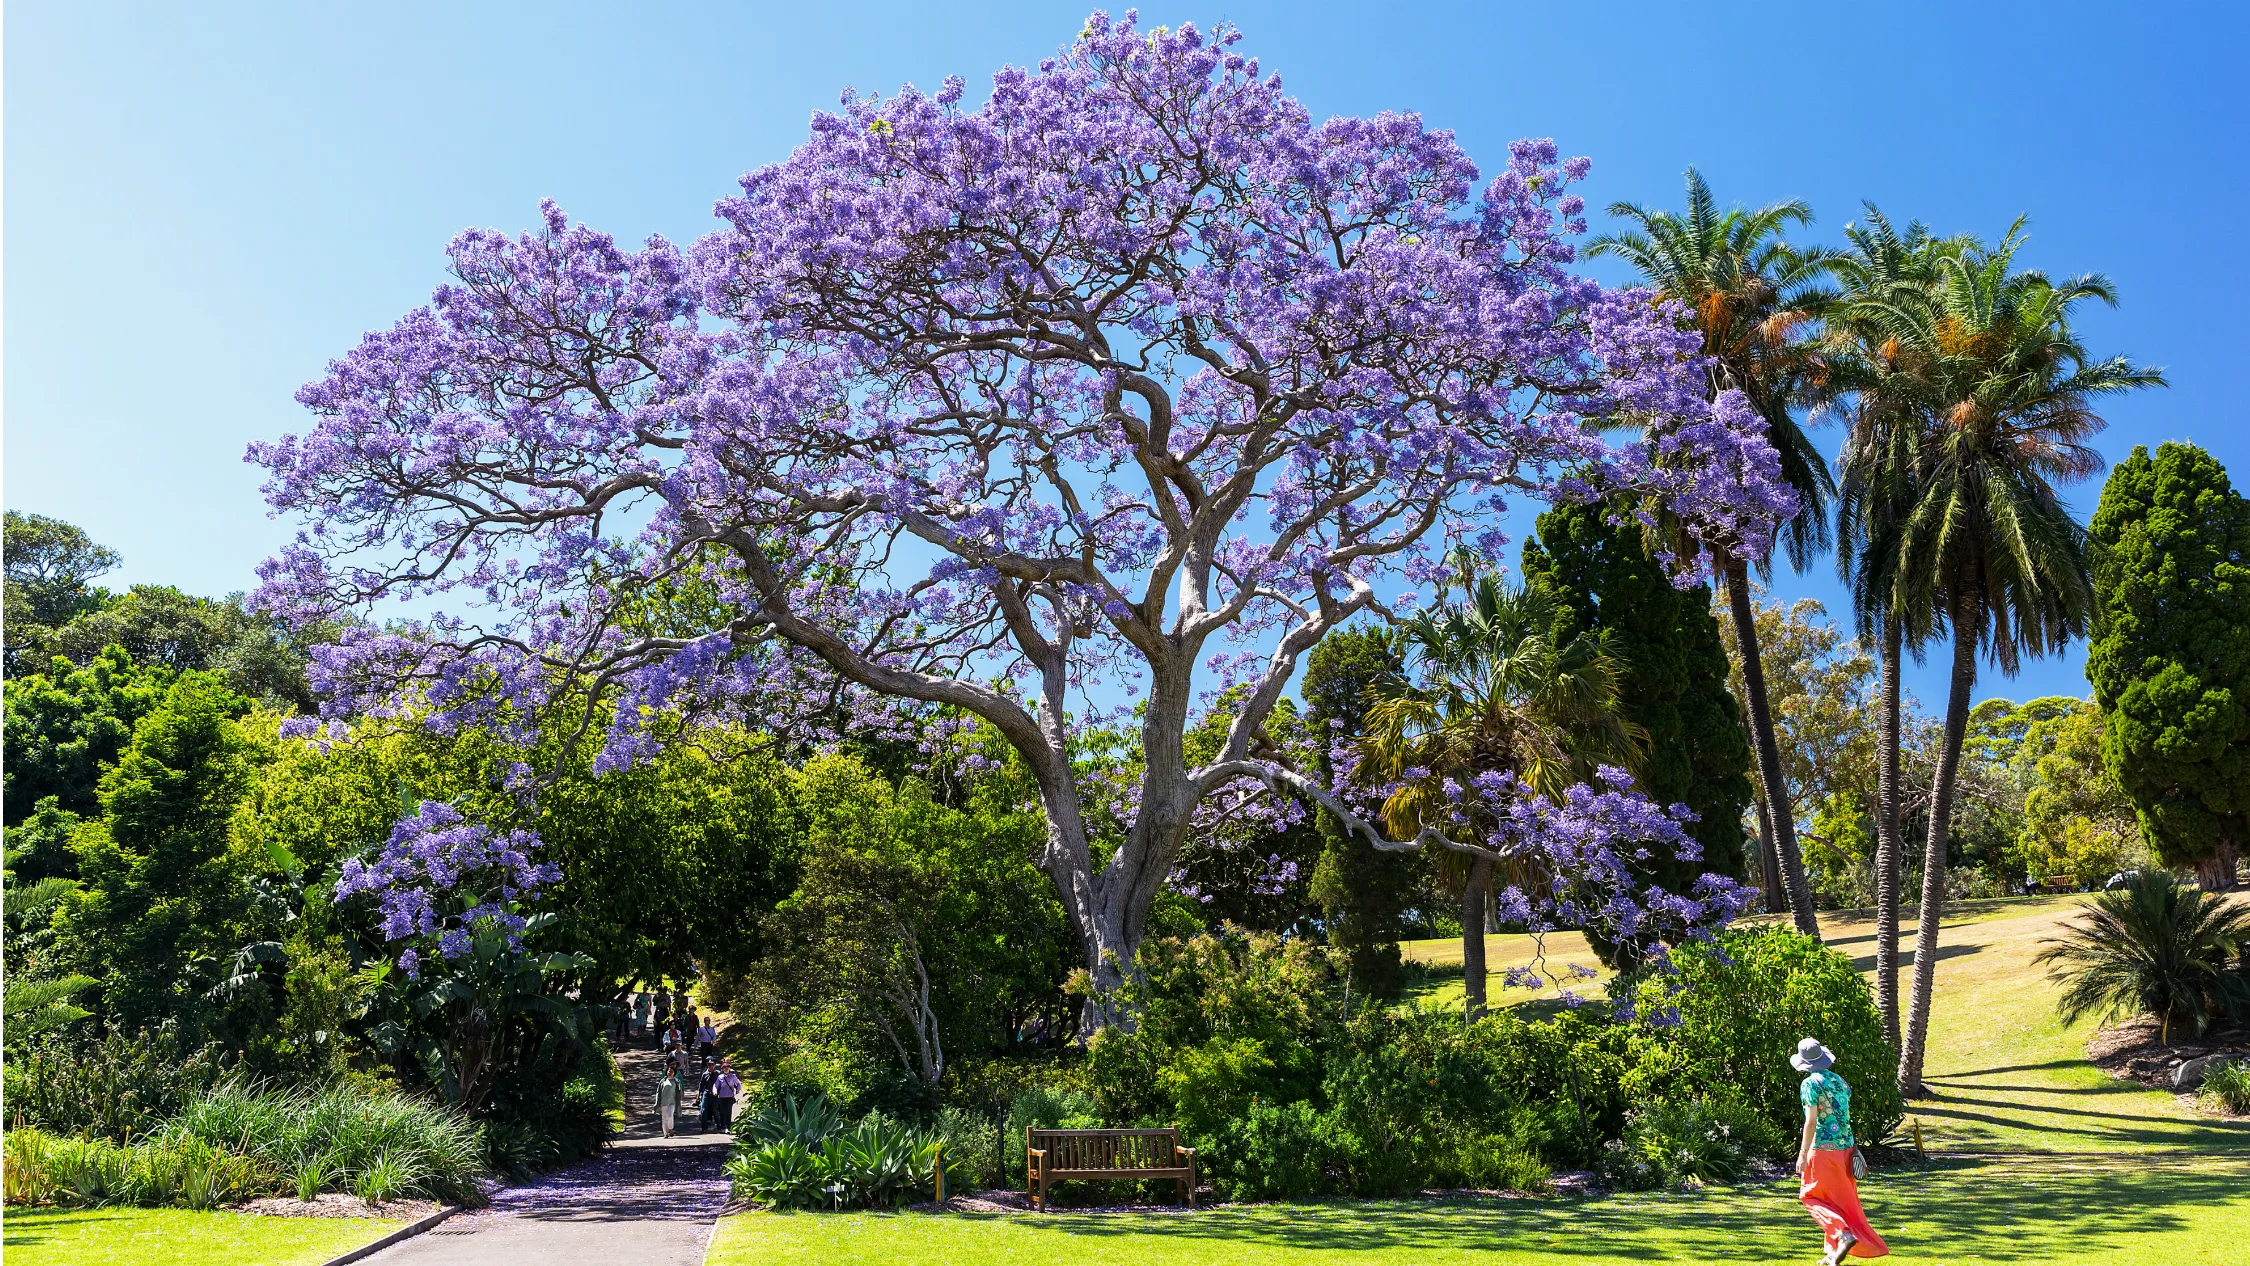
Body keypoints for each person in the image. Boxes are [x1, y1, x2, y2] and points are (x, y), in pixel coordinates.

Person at [1793, 1037, 1889, 1264]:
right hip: (1845, 1148)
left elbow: (1811, 1121)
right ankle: (1832, 1254)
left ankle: (1842, 1233)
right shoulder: (1839, 1081)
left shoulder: (1810, 1084)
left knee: (1810, 1196)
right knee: (1837, 1201)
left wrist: (1803, 1153)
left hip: (1822, 1149)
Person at [711, 1059, 741, 1132]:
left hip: (730, 1097)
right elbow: (715, 1085)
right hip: (721, 1097)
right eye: (724, 1067)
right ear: (722, 1069)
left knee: (728, 1111)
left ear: (729, 1068)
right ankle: (722, 1126)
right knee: (722, 1112)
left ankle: (728, 1126)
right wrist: (714, 1091)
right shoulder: (720, 1077)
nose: (726, 1068)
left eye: (727, 1067)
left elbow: (738, 1083)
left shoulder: (733, 1076)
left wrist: (738, 1089)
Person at [657, 1064, 682, 1138]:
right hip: (663, 1102)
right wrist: (657, 1102)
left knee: (670, 1115)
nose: (670, 1072)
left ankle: (670, 1129)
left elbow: (679, 1091)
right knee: (664, 1118)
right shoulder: (663, 1081)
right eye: (668, 1071)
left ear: (674, 1073)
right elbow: (658, 1092)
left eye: (671, 1071)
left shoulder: (676, 1081)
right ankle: (665, 1133)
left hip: (672, 1102)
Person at [696, 1058, 718, 1133]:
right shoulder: (705, 1074)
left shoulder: (718, 1074)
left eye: (712, 1065)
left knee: (715, 1110)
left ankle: (719, 1125)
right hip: (706, 1093)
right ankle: (704, 1128)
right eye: (709, 1065)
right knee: (703, 1110)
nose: (711, 1066)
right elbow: (701, 1085)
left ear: (715, 1066)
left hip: (715, 1094)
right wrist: (699, 1094)